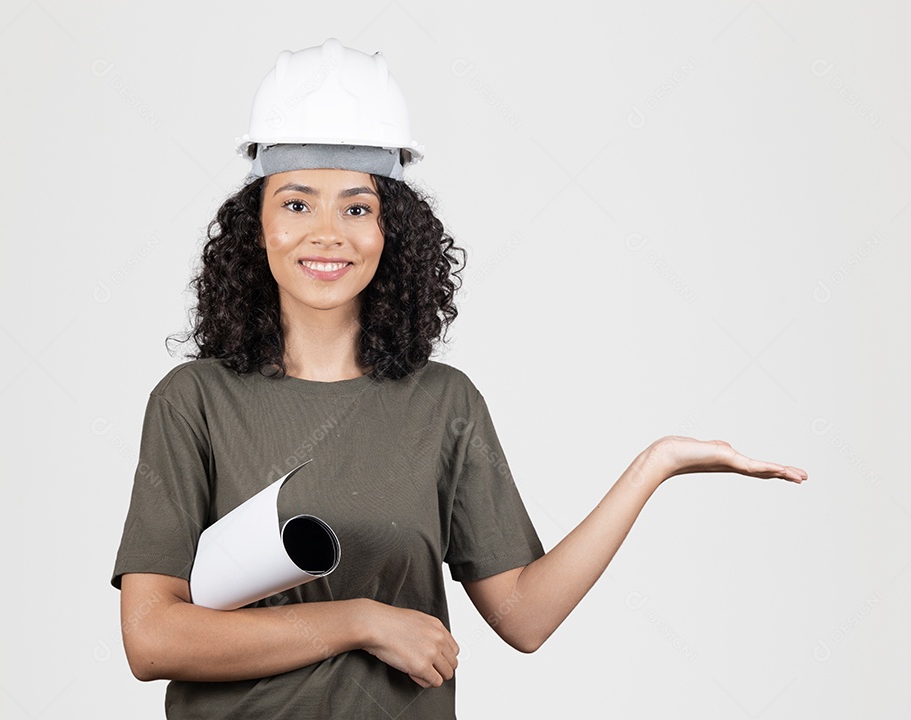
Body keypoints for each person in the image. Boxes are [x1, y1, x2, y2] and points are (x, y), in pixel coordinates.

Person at [110, 38, 807, 719]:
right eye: (297, 203)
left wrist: (657, 464)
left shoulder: (445, 404)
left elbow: (525, 617)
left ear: (393, 232)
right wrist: (361, 621)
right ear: (256, 224)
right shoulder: (194, 402)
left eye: (358, 207)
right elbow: (151, 637)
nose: (327, 233)